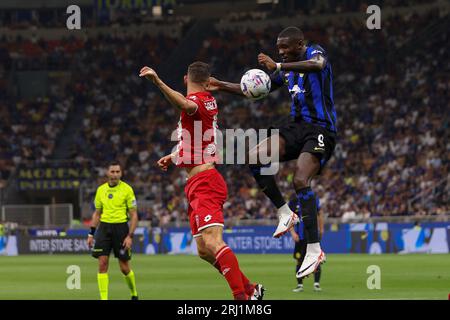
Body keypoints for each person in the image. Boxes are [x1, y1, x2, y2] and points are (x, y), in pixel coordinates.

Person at [208, 26, 336, 279]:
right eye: (279, 49)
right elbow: (255, 88)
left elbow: (317, 65)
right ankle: (284, 212)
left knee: (299, 180)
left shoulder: (314, 53)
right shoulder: (286, 72)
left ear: (300, 44)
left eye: (285, 48)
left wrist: (278, 64)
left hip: (320, 129)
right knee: (254, 156)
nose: (282, 52)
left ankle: (314, 249)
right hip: (295, 127)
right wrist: (221, 85)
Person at [139, 61, 264, 300]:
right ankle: (250, 288)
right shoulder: (208, 101)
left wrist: (158, 82)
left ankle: (241, 298)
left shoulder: (197, 103)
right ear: (208, 81)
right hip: (197, 183)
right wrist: (175, 156)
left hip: (206, 181)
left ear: (186, 79)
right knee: (204, 251)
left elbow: (184, 104)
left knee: (213, 242)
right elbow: (197, 137)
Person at [87, 161, 139, 300]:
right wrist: (91, 233)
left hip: (121, 229)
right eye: (112, 171)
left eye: (117, 172)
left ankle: (134, 293)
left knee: (124, 267)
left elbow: (134, 215)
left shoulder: (127, 189)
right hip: (104, 228)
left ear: (121, 173)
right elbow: (97, 213)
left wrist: (130, 236)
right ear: (107, 173)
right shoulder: (101, 190)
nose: (115, 174)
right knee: (102, 264)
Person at [290, 196, 324, 292]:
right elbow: (288, 218)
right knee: (299, 260)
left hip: (312, 236)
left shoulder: (313, 199)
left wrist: (321, 229)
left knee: (315, 259)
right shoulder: (293, 202)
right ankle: (300, 285)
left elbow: (320, 214)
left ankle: (316, 284)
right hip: (300, 237)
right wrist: (292, 233)